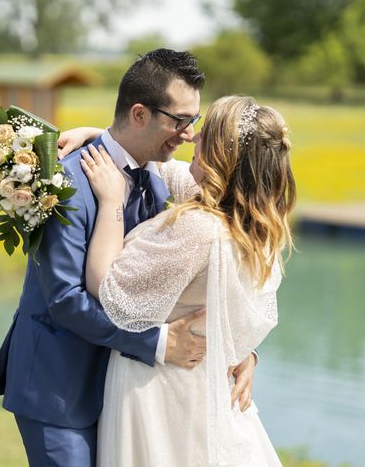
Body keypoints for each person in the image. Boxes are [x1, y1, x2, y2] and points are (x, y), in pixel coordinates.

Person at [0, 49, 259, 466]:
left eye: (194, 122)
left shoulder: (162, 181)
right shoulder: (67, 182)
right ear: (138, 114)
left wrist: (241, 350)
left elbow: (206, 276)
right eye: (180, 120)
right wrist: (159, 344)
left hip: (128, 396)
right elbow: (65, 300)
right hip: (61, 390)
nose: (188, 135)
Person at [75, 95, 296, 466]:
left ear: (223, 155)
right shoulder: (250, 225)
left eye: (205, 132)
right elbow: (168, 169)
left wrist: (112, 200)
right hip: (202, 386)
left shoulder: (199, 228)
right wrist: (104, 137)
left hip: (157, 392)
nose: (191, 138)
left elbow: (107, 287)